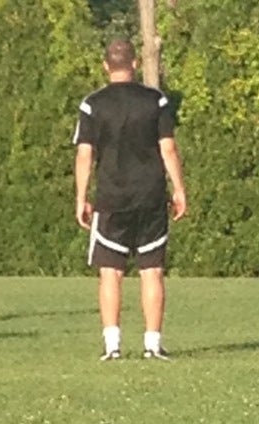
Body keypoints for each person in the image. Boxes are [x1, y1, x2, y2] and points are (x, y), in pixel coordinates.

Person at [74, 38, 187, 361]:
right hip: (151, 195)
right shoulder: (156, 101)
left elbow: (85, 154)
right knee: (152, 270)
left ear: (105, 66)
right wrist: (179, 189)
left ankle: (113, 346)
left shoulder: (92, 105)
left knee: (110, 272)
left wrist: (81, 197)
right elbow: (168, 148)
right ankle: (153, 345)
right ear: (135, 64)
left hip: (111, 197)